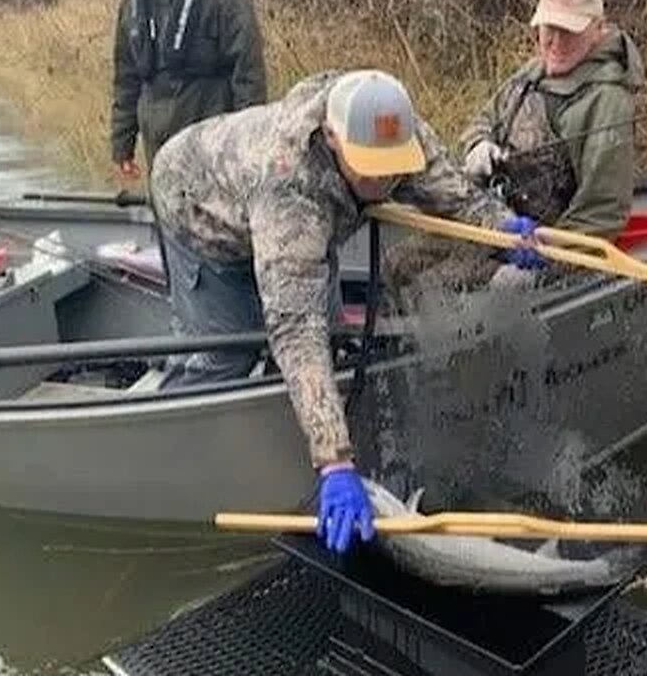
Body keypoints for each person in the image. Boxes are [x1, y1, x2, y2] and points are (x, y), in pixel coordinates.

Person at [148, 69, 539, 554]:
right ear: (332, 139)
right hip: (198, 209)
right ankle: (174, 456)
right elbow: (296, 329)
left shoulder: (393, 126)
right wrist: (334, 462)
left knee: (333, 339)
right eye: (368, 169)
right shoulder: (290, 187)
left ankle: (297, 430)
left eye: (391, 168)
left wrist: (502, 228)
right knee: (227, 352)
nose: (383, 181)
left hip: (292, 221)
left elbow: (447, 191)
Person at [385, 0, 645, 296]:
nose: (556, 42)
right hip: (493, 218)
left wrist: (545, 256)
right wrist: (478, 145)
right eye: (549, 29)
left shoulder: (607, 100)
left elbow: (603, 211)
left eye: (569, 31)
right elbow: (482, 121)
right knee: (398, 265)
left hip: (543, 244)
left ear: (597, 30)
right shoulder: (533, 72)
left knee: (443, 290)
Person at [110, 0, 267, 181]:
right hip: (157, 147)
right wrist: (122, 145)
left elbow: (249, 76)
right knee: (165, 210)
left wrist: (249, 145)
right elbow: (126, 79)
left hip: (213, 147)